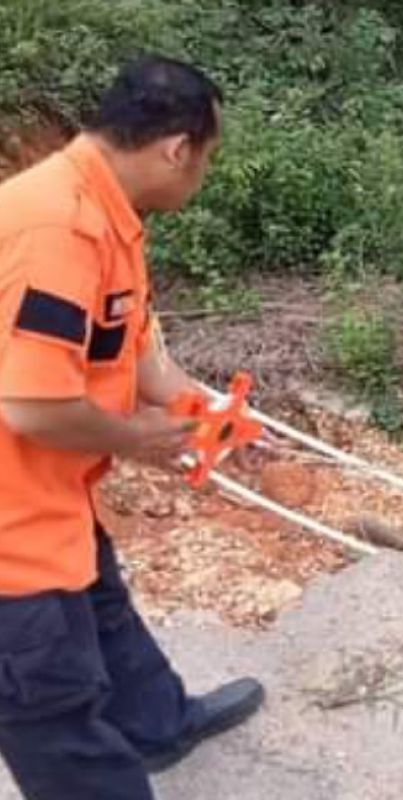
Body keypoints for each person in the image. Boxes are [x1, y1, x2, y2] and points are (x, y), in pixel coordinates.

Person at [0, 57, 263, 800]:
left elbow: (129, 341)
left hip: (45, 485)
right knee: (50, 703)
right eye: (207, 158)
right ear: (177, 148)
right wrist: (138, 440)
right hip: (9, 524)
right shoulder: (57, 229)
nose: (202, 174)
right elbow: (30, 405)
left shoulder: (105, 209)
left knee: (100, 603)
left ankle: (156, 724)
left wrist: (204, 415)